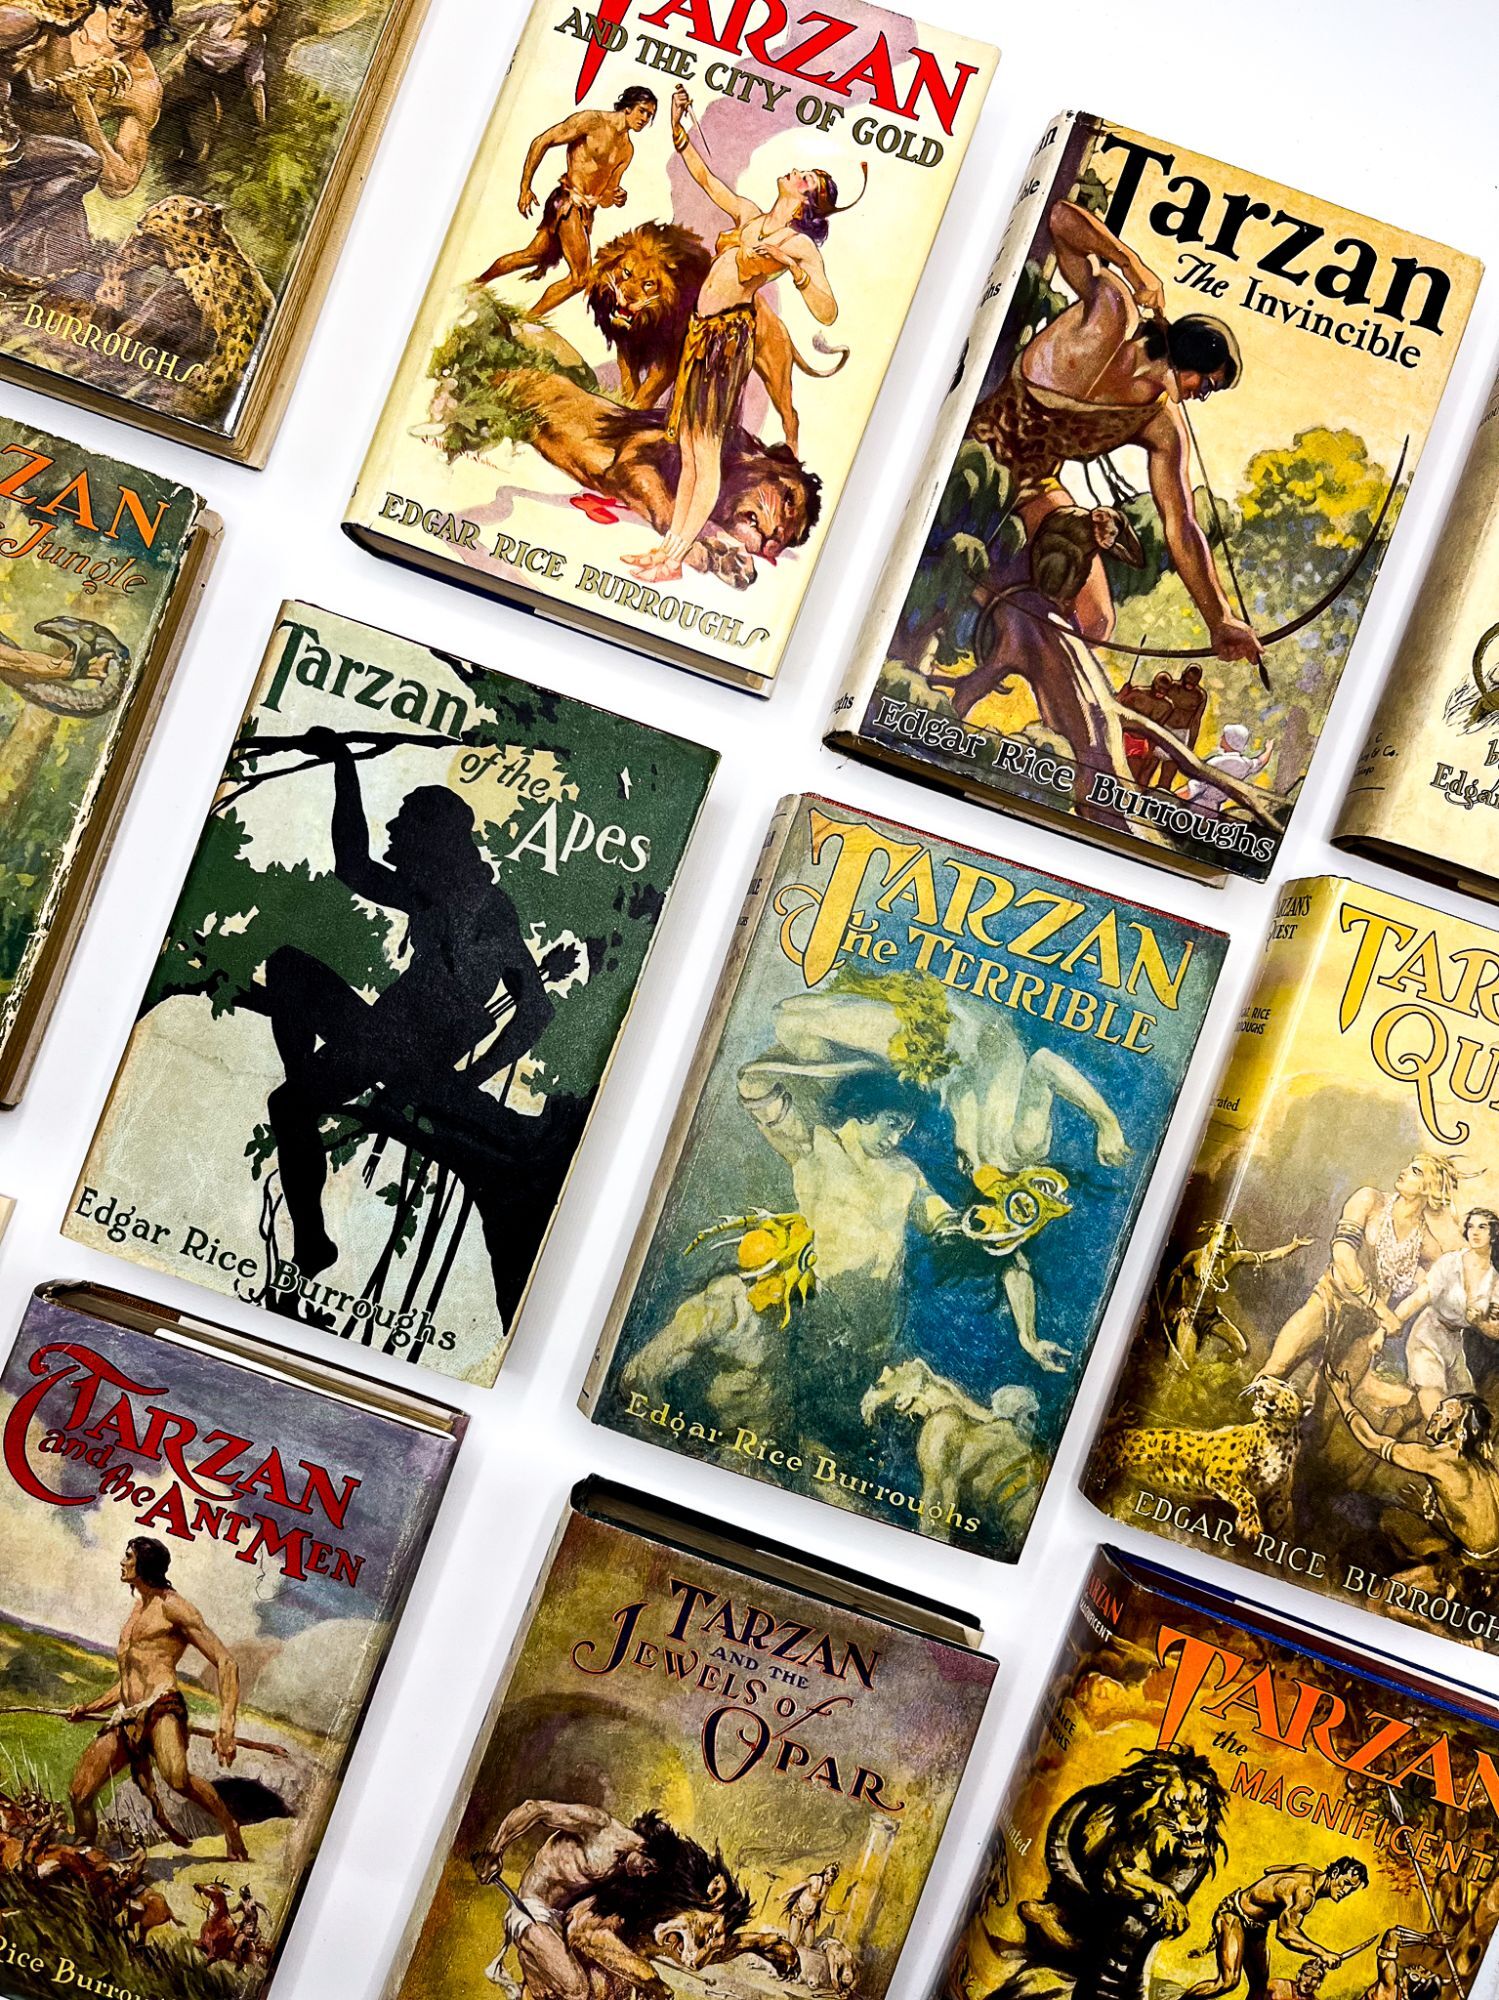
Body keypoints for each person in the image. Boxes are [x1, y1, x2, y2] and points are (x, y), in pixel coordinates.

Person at [261, 727, 553, 1280]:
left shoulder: (485, 908)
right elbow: (355, 865)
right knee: (290, 1085)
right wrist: (343, 765)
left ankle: (309, 1110)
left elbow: (536, 1008)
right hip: (383, 1041)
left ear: (435, 836)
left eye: (404, 821)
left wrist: (472, 1076)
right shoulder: (432, 894)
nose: (393, 830)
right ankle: (313, 1231)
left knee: (288, 984)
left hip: (400, 1053)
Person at [969, 197, 1261, 666]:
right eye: (1206, 384)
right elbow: (1060, 218)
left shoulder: (1160, 425)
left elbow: (1180, 525)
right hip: (973, 452)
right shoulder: (1111, 314)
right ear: (1189, 359)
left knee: (1095, 620)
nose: (1201, 395)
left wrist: (1219, 618)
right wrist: (1131, 263)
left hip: (1033, 486)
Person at [624, 81, 844, 583]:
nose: (796, 172)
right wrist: (678, 126)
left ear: (806, 201)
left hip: (725, 344)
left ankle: (674, 558)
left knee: (704, 454)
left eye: (805, 178)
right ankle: (668, 550)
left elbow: (828, 310)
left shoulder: (798, 244)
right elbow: (707, 180)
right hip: (701, 336)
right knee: (690, 449)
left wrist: (797, 270)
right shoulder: (751, 216)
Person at [65, 1536, 248, 1860]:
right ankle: (85, 1858)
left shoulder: (173, 1606)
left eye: (129, 1557)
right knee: (79, 1793)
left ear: (144, 1566)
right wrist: (89, 1708)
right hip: (126, 1715)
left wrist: (227, 1725)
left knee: (177, 1779)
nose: (122, 1562)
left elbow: (226, 1662)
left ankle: (229, 1825)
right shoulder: (136, 1610)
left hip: (162, 1708)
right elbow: (129, 1680)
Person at [1260, 1157, 1463, 1390]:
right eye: (1408, 1166)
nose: (1404, 1170)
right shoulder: (1369, 1200)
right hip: (1330, 1299)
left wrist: (1387, 1324)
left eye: (1415, 1171)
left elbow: (1437, 1285)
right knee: (1275, 1369)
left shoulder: (1426, 1243)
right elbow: (1342, 1255)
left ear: (1430, 1188)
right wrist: (1381, 1310)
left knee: (1323, 1399)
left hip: (1365, 1327)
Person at [0, 0, 167, 279]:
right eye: (115, 4)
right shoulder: (28, 21)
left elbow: (120, 184)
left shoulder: (143, 87)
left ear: (152, 21)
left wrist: (81, 97)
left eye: (134, 10)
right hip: (14, 149)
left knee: (61, 262)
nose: (118, 17)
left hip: (39, 165)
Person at [473, 86, 656, 318]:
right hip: (567, 202)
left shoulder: (627, 150)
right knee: (581, 277)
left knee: (532, 255)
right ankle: (527, 319)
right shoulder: (592, 121)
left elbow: (605, 197)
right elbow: (542, 141)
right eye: (642, 111)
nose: (645, 119)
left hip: (585, 212)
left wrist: (617, 197)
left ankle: (475, 285)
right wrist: (525, 188)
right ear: (628, 107)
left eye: (649, 115)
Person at [1327, 1371, 1499, 1591]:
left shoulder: (1438, 1459)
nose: (1435, 1414)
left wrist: (1344, 1400)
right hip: (1490, 1562)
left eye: (1442, 1410)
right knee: (1395, 1518)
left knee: (1381, 1594)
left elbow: (1373, 1442)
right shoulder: (1484, 1466)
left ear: (1455, 1422)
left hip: (1473, 1568)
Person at [1187, 1859, 1368, 1998]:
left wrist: (1275, 1888)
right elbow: (1285, 1933)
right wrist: (1323, 1953)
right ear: (1335, 1873)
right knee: (1228, 1981)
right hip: (1234, 1915)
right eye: (1346, 1883)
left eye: (1352, 1890)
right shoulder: (1306, 1893)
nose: (1346, 1891)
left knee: (1260, 1986)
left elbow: (1270, 1870)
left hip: (1256, 1925)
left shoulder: (1308, 1871)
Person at [1156, 1222, 1312, 1368]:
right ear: (1212, 1236)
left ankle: (1214, 1366)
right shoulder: (1194, 1257)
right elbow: (1174, 1277)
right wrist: (1167, 1309)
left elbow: (1267, 1256)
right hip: (1189, 1316)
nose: (1222, 1250)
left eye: (1226, 1246)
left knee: (1241, 1349)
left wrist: (1293, 1246)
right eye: (1220, 1243)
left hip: (1211, 1316)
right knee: (1187, 1363)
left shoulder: (1232, 1258)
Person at [1391, 1205, 1499, 1418]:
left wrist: (1479, 1323)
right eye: (1471, 1226)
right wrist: (1387, 1326)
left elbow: (1496, 1331)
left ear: (1494, 1234)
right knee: (1435, 1404)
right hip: (1427, 1335)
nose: (1475, 1232)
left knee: (1469, 1408)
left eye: (1482, 1227)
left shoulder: (1494, 1281)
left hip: (1454, 1344)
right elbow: (1418, 1298)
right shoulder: (1450, 1263)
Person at [158, 0, 275, 165]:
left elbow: (256, 79)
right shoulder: (223, 11)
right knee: (151, 108)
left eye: (271, 13)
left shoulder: (257, 41)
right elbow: (181, 17)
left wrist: (263, 122)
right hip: (184, 71)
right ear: (249, 4)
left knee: (201, 151)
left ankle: (176, 172)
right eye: (261, 6)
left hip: (208, 87)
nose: (264, 15)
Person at [1180, 723, 1277, 816]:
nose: (1221, 737)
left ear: (1230, 740)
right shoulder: (1245, 764)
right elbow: (1260, 762)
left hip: (1196, 806)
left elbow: (1195, 787)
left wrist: (1173, 797)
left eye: (1224, 736)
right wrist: (1269, 749)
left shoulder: (1216, 762)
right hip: (1214, 809)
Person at [782, 1863, 839, 1948]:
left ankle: (800, 1939)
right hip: (799, 1911)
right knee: (792, 1942)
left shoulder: (827, 1889)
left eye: (831, 1876)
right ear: (824, 1872)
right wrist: (784, 1894)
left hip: (810, 1917)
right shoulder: (814, 1879)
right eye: (827, 1873)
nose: (827, 1877)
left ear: (833, 1878)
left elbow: (822, 1907)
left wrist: (833, 1912)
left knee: (809, 1943)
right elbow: (798, 1886)